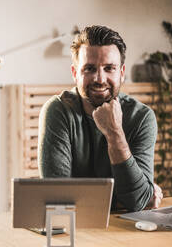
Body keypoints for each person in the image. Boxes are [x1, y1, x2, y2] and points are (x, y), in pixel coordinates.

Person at [37, 25, 163, 211]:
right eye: (89, 68)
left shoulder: (142, 117)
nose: (99, 79)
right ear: (75, 73)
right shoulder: (58, 111)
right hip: (72, 231)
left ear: (121, 73)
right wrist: (118, 201)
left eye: (109, 68)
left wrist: (114, 133)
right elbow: (58, 200)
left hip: (123, 234)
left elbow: (138, 202)